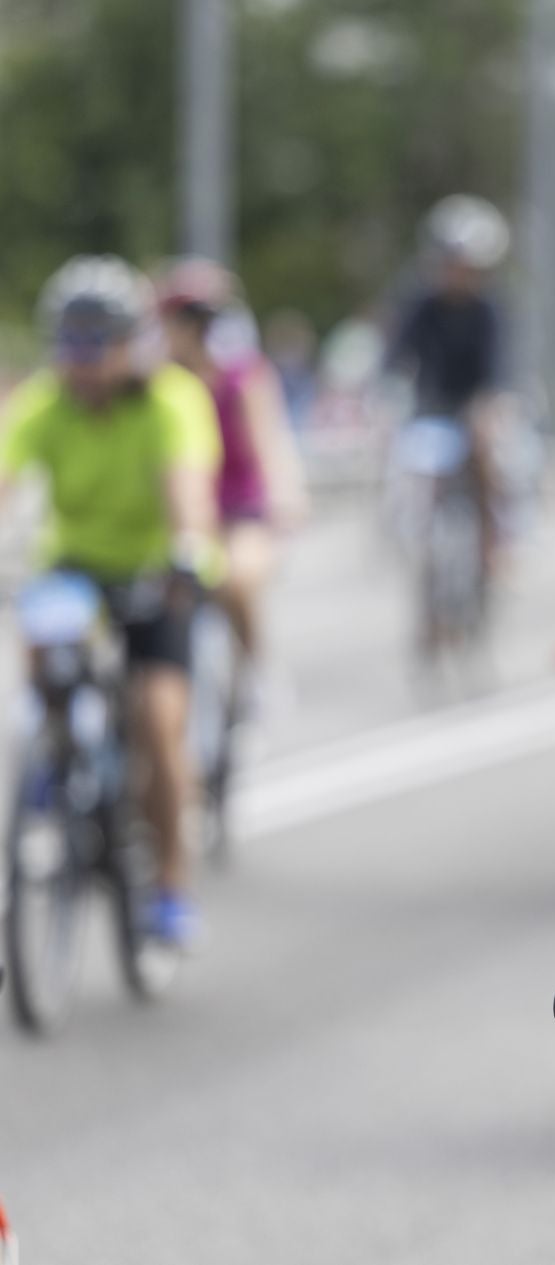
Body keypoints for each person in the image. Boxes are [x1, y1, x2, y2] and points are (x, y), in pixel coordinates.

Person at [0, 257, 223, 944]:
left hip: (159, 572)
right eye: (72, 343)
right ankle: (57, 754)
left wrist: (188, 552)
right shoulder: (42, 402)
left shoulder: (170, 399)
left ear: (132, 342)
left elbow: (186, 487)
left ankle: (172, 887)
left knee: (159, 721)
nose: (85, 360)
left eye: (99, 342)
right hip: (77, 568)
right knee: (43, 637)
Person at [158, 258, 309, 708]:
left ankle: (256, 666)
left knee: (237, 579)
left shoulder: (242, 375)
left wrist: (285, 493)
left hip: (239, 506)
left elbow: (268, 438)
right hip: (180, 511)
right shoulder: (157, 384)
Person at [388, 194, 514, 573]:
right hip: (432, 406)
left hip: (478, 403)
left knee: (494, 458)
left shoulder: (491, 310)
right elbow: (396, 354)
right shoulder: (420, 304)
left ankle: (495, 544)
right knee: (410, 468)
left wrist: (489, 407)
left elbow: (500, 366)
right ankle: (417, 544)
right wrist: (386, 395)